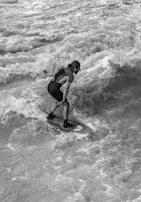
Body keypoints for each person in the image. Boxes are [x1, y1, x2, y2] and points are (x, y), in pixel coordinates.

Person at [47, 60, 80, 128]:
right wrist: (64, 98)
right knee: (66, 104)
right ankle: (65, 123)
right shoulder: (70, 76)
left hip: (49, 86)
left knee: (60, 101)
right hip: (54, 89)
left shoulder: (64, 68)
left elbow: (56, 75)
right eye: (78, 68)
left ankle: (50, 115)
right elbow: (66, 88)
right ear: (74, 68)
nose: (79, 69)